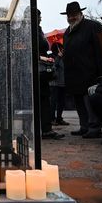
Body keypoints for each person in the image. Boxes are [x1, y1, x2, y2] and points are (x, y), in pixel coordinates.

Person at [61, 1, 102, 138]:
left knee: (89, 101)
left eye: (74, 14)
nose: (71, 18)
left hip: (90, 72)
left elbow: (101, 50)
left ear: (80, 14)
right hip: (73, 74)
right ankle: (84, 126)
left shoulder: (93, 26)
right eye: (69, 15)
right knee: (79, 101)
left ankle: (95, 127)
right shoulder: (67, 32)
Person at [37, 9, 64, 140]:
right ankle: (42, 129)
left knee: (44, 99)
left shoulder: (39, 30)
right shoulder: (29, 30)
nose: (40, 18)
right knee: (41, 99)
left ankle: (46, 129)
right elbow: (25, 49)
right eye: (38, 16)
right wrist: (41, 58)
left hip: (42, 70)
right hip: (36, 69)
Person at [49, 43, 70, 126]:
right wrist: (58, 57)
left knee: (61, 102)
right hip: (54, 83)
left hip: (62, 83)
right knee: (53, 102)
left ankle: (59, 118)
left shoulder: (63, 57)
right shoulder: (52, 57)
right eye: (60, 48)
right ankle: (52, 119)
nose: (62, 49)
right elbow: (53, 67)